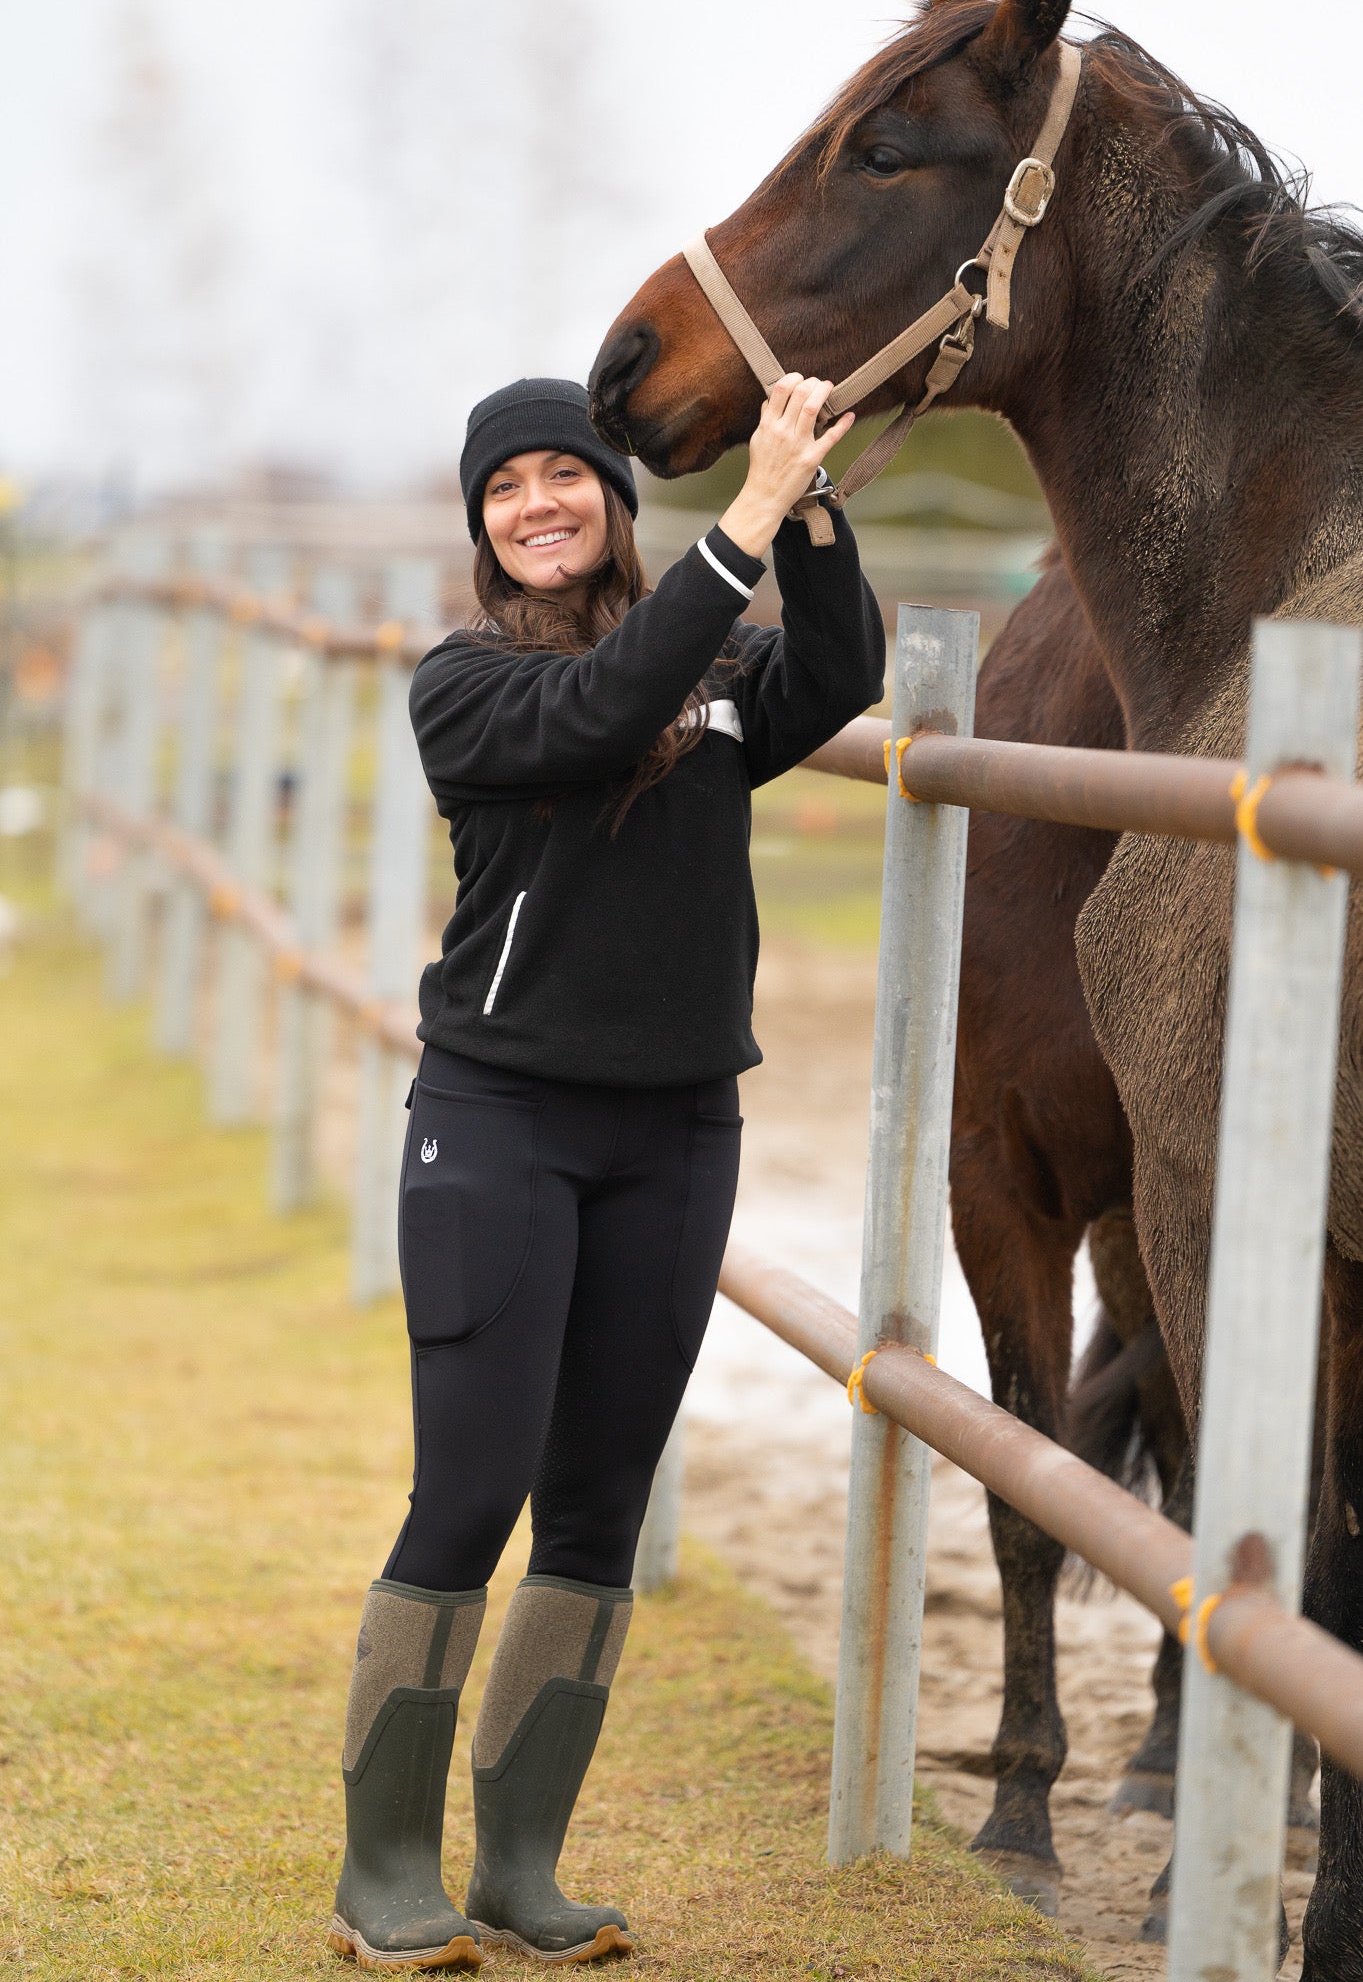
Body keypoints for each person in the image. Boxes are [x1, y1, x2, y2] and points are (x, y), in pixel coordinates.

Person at [328, 372, 883, 1972]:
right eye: (504, 488)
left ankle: (517, 1866)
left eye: (566, 473)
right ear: (483, 527)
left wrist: (817, 495)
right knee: (473, 1495)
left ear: (615, 502)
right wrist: (752, 516)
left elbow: (834, 666)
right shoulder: (469, 683)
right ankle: (383, 1871)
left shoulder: (717, 669)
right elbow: (602, 713)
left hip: (675, 1130)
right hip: (498, 1126)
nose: (537, 503)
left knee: (596, 1509)